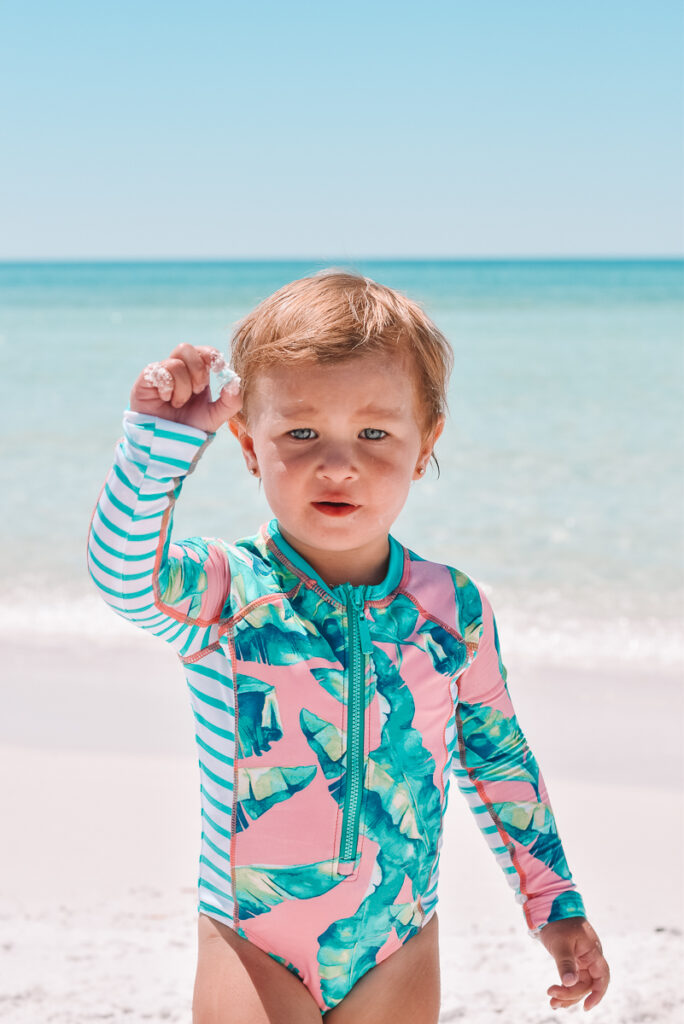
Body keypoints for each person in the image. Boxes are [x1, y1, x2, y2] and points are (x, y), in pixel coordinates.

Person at [86, 269, 610, 1023]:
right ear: (247, 444)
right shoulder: (226, 591)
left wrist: (554, 904)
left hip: (399, 939)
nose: (338, 464)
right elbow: (123, 575)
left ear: (425, 442)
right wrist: (159, 445)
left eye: (374, 433)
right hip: (253, 937)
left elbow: (496, 757)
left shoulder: (450, 610)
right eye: (300, 434)